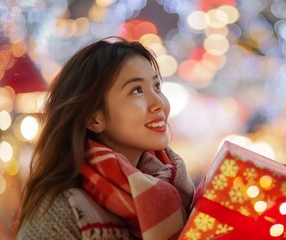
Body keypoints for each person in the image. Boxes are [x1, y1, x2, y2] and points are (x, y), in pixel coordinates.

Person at [14, 37, 195, 239]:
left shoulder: (181, 188)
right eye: (137, 90)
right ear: (94, 118)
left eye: (157, 87)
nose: (159, 102)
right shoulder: (60, 212)